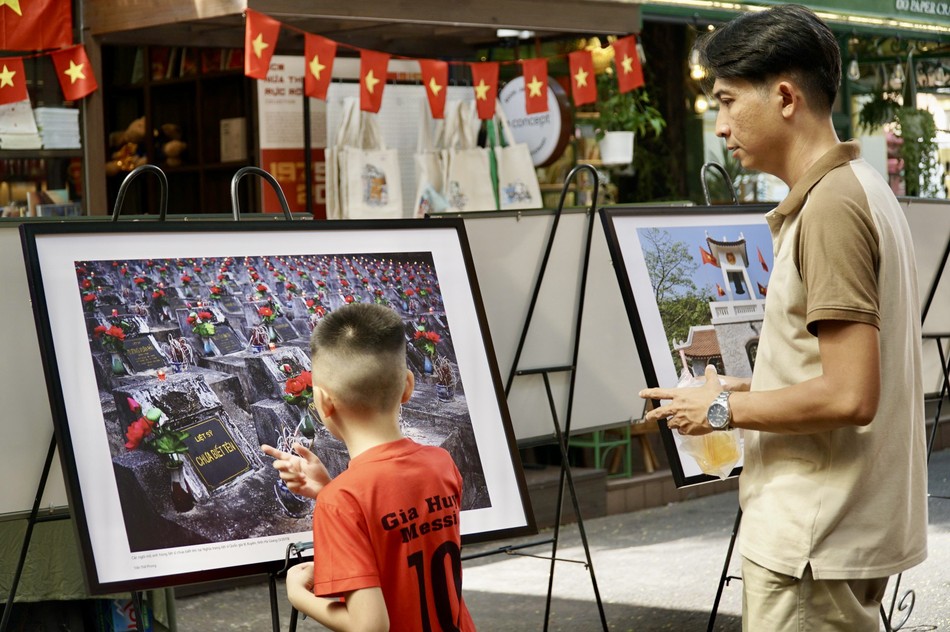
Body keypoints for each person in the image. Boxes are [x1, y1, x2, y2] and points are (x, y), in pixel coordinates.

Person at [639, 5, 928, 630]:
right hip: (834, 532)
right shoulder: (860, 186)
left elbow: (852, 394)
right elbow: (845, 366)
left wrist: (718, 410)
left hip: (812, 541)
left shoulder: (832, 206)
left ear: (786, 97)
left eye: (726, 101)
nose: (719, 126)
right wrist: (750, 384)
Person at [262, 303, 475, 631]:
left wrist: (297, 593)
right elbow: (400, 534)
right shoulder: (441, 464)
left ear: (322, 402)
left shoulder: (341, 503)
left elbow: (370, 626)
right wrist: (329, 489)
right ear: (407, 385)